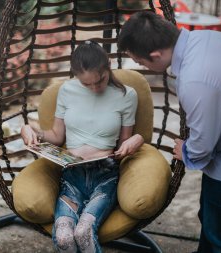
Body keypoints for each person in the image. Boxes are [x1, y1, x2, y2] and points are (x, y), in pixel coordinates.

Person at [118, 11, 221, 253]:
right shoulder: (212, 38)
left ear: (156, 55)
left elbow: (203, 144)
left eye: (141, 62)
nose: (141, 66)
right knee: (212, 219)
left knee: (220, 232)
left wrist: (185, 150)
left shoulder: (195, 79)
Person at [20, 40, 144, 253]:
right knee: (64, 236)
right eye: (87, 84)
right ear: (76, 75)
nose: (95, 88)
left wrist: (137, 139)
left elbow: (124, 144)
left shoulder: (127, 95)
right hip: (72, 175)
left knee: (83, 232)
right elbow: (57, 137)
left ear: (109, 66)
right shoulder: (67, 90)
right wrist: (32, 131)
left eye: (101, 80)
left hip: (105, 174)